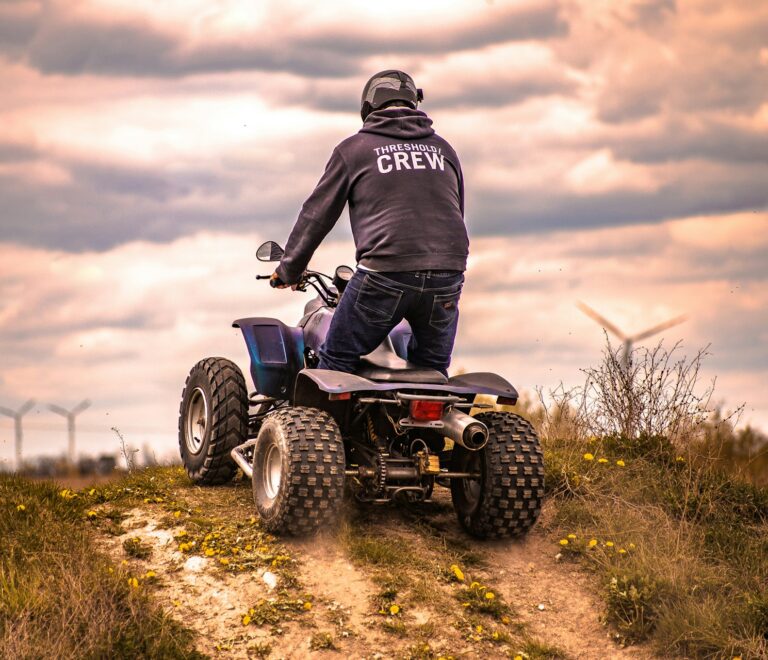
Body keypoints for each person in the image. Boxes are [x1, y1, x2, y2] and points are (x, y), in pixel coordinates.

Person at [272, 70, 468, 376]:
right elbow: (456, 212)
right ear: (414, 103)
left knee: (335, 361)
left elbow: (316, 215)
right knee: (430, 373)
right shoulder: (444, 150)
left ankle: (322, 425)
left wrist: (288, 270)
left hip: (385, 273)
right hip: (448, 272)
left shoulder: (354, 149)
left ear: (368, 108)